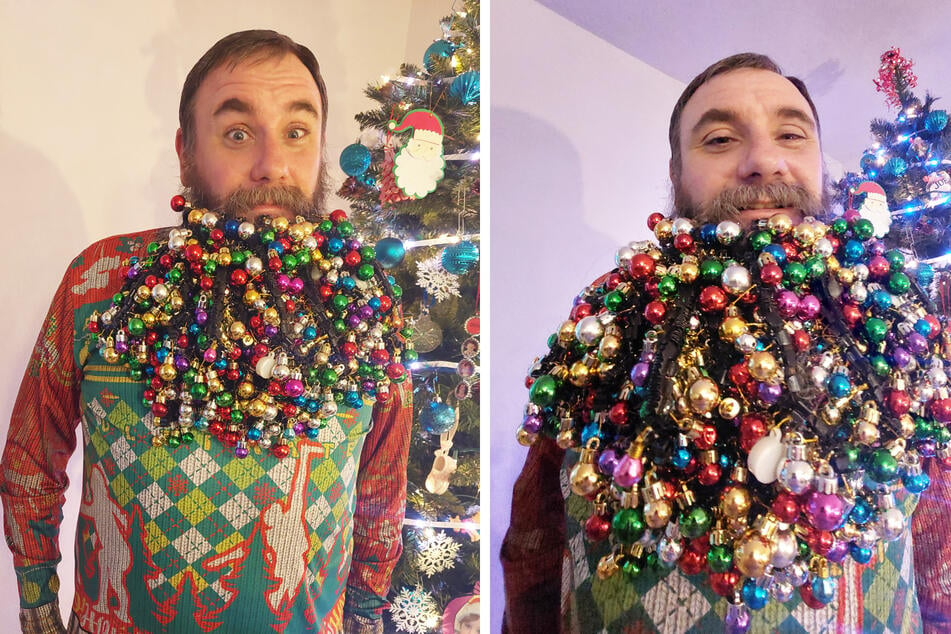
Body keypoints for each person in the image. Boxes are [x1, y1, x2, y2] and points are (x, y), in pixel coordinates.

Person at [501, 53, 951, 633]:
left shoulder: (901, 334)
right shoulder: (610, 332)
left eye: (791, 134)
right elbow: (532, 551)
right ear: (676, 172)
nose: (763, 162)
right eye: (718, 139)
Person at [1, 30, 412, 634]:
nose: (272, 163)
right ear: (186, 149)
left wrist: (370, 616)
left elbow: (382, 485)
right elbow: (32, 459)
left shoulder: (369, 302)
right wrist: (37, 605)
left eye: (297, 132)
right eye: (238, 133)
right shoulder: (102, 284)